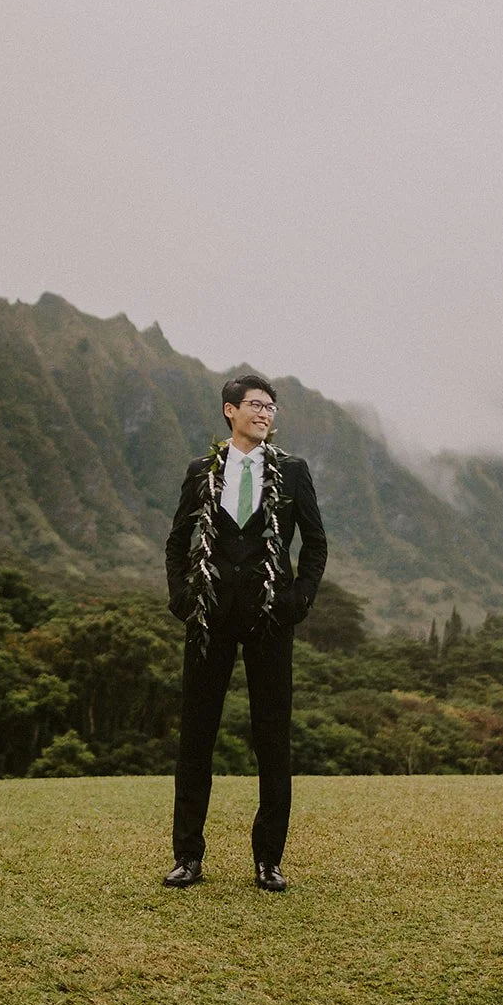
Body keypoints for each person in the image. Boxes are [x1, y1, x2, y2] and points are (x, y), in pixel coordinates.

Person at [163, 374, 327, 891]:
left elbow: (316, 544)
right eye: (257, 404)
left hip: (271, 620)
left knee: (272, 737)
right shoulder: (202, 471)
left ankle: (268, 860)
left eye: (272, 407)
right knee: (197, 735)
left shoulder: (293, 472)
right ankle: (188, 856)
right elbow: (177, 541)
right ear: (230, 411)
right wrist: (182, 599)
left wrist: (298, 599)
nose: (266, 413)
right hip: (209, 617)